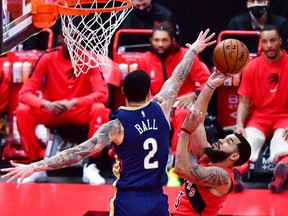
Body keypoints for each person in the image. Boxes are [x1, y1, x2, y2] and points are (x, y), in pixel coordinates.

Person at [1, 29, 216, 216]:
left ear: (122, 92)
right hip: (157, 199)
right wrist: (192, 50)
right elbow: (177, 77)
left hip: (129, 200)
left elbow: (76, 153)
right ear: (150, 92)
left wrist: (35, 167)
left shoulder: (116, 126)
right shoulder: (162, 107)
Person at [14, 31, 112, 185]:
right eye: (67, 36)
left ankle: (90, 166)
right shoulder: (47, 58)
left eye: (76, 37)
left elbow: (103, 94)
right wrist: (47, 104)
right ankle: (36, 166)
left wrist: (74, 102)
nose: (72, 40)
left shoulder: (90, 58)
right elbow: (24, 93)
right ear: (59, 38)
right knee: (22, 111)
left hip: (79, 111)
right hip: (53, 110)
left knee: (100, 109)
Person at [137, 21, 211, 186]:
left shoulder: (187, 55)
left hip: (183, 104)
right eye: (156, 40)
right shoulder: (144, 59)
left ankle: (174, 168)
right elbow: (143, 90)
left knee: (182, 115)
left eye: (165, 40)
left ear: (173, 40)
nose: (160, 44)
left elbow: (205, 80)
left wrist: (194, 94)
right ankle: (150, 168)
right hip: (158, 104)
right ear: (151, 40)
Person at [173, 71, 252, 216]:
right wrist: (209, 86)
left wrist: (184, 132)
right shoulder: (208, 156)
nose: (221, 139)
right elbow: (198, 120)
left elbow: (181, 169)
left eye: (228, 141)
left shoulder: (222, 177)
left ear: (234, 156)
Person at [233, 25, 288, 193]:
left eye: (273, 40)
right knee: (246, 143)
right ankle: (235, 173)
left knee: (283, 144)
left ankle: (281, 172)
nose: (269, 45)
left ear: (280, 41)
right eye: (265, 41)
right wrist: (239, 125)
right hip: (259, 116)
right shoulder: (251, 66)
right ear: (260, 44)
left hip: (285, 116)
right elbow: (244, 102)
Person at [109, 0, 181, 57]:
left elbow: (177, 42)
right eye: (138, 5)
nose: (141, 8)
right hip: (125, 58)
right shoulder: (119, 17)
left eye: (144, 5)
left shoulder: (165, 16)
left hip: (158, 57)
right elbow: (110, 46)